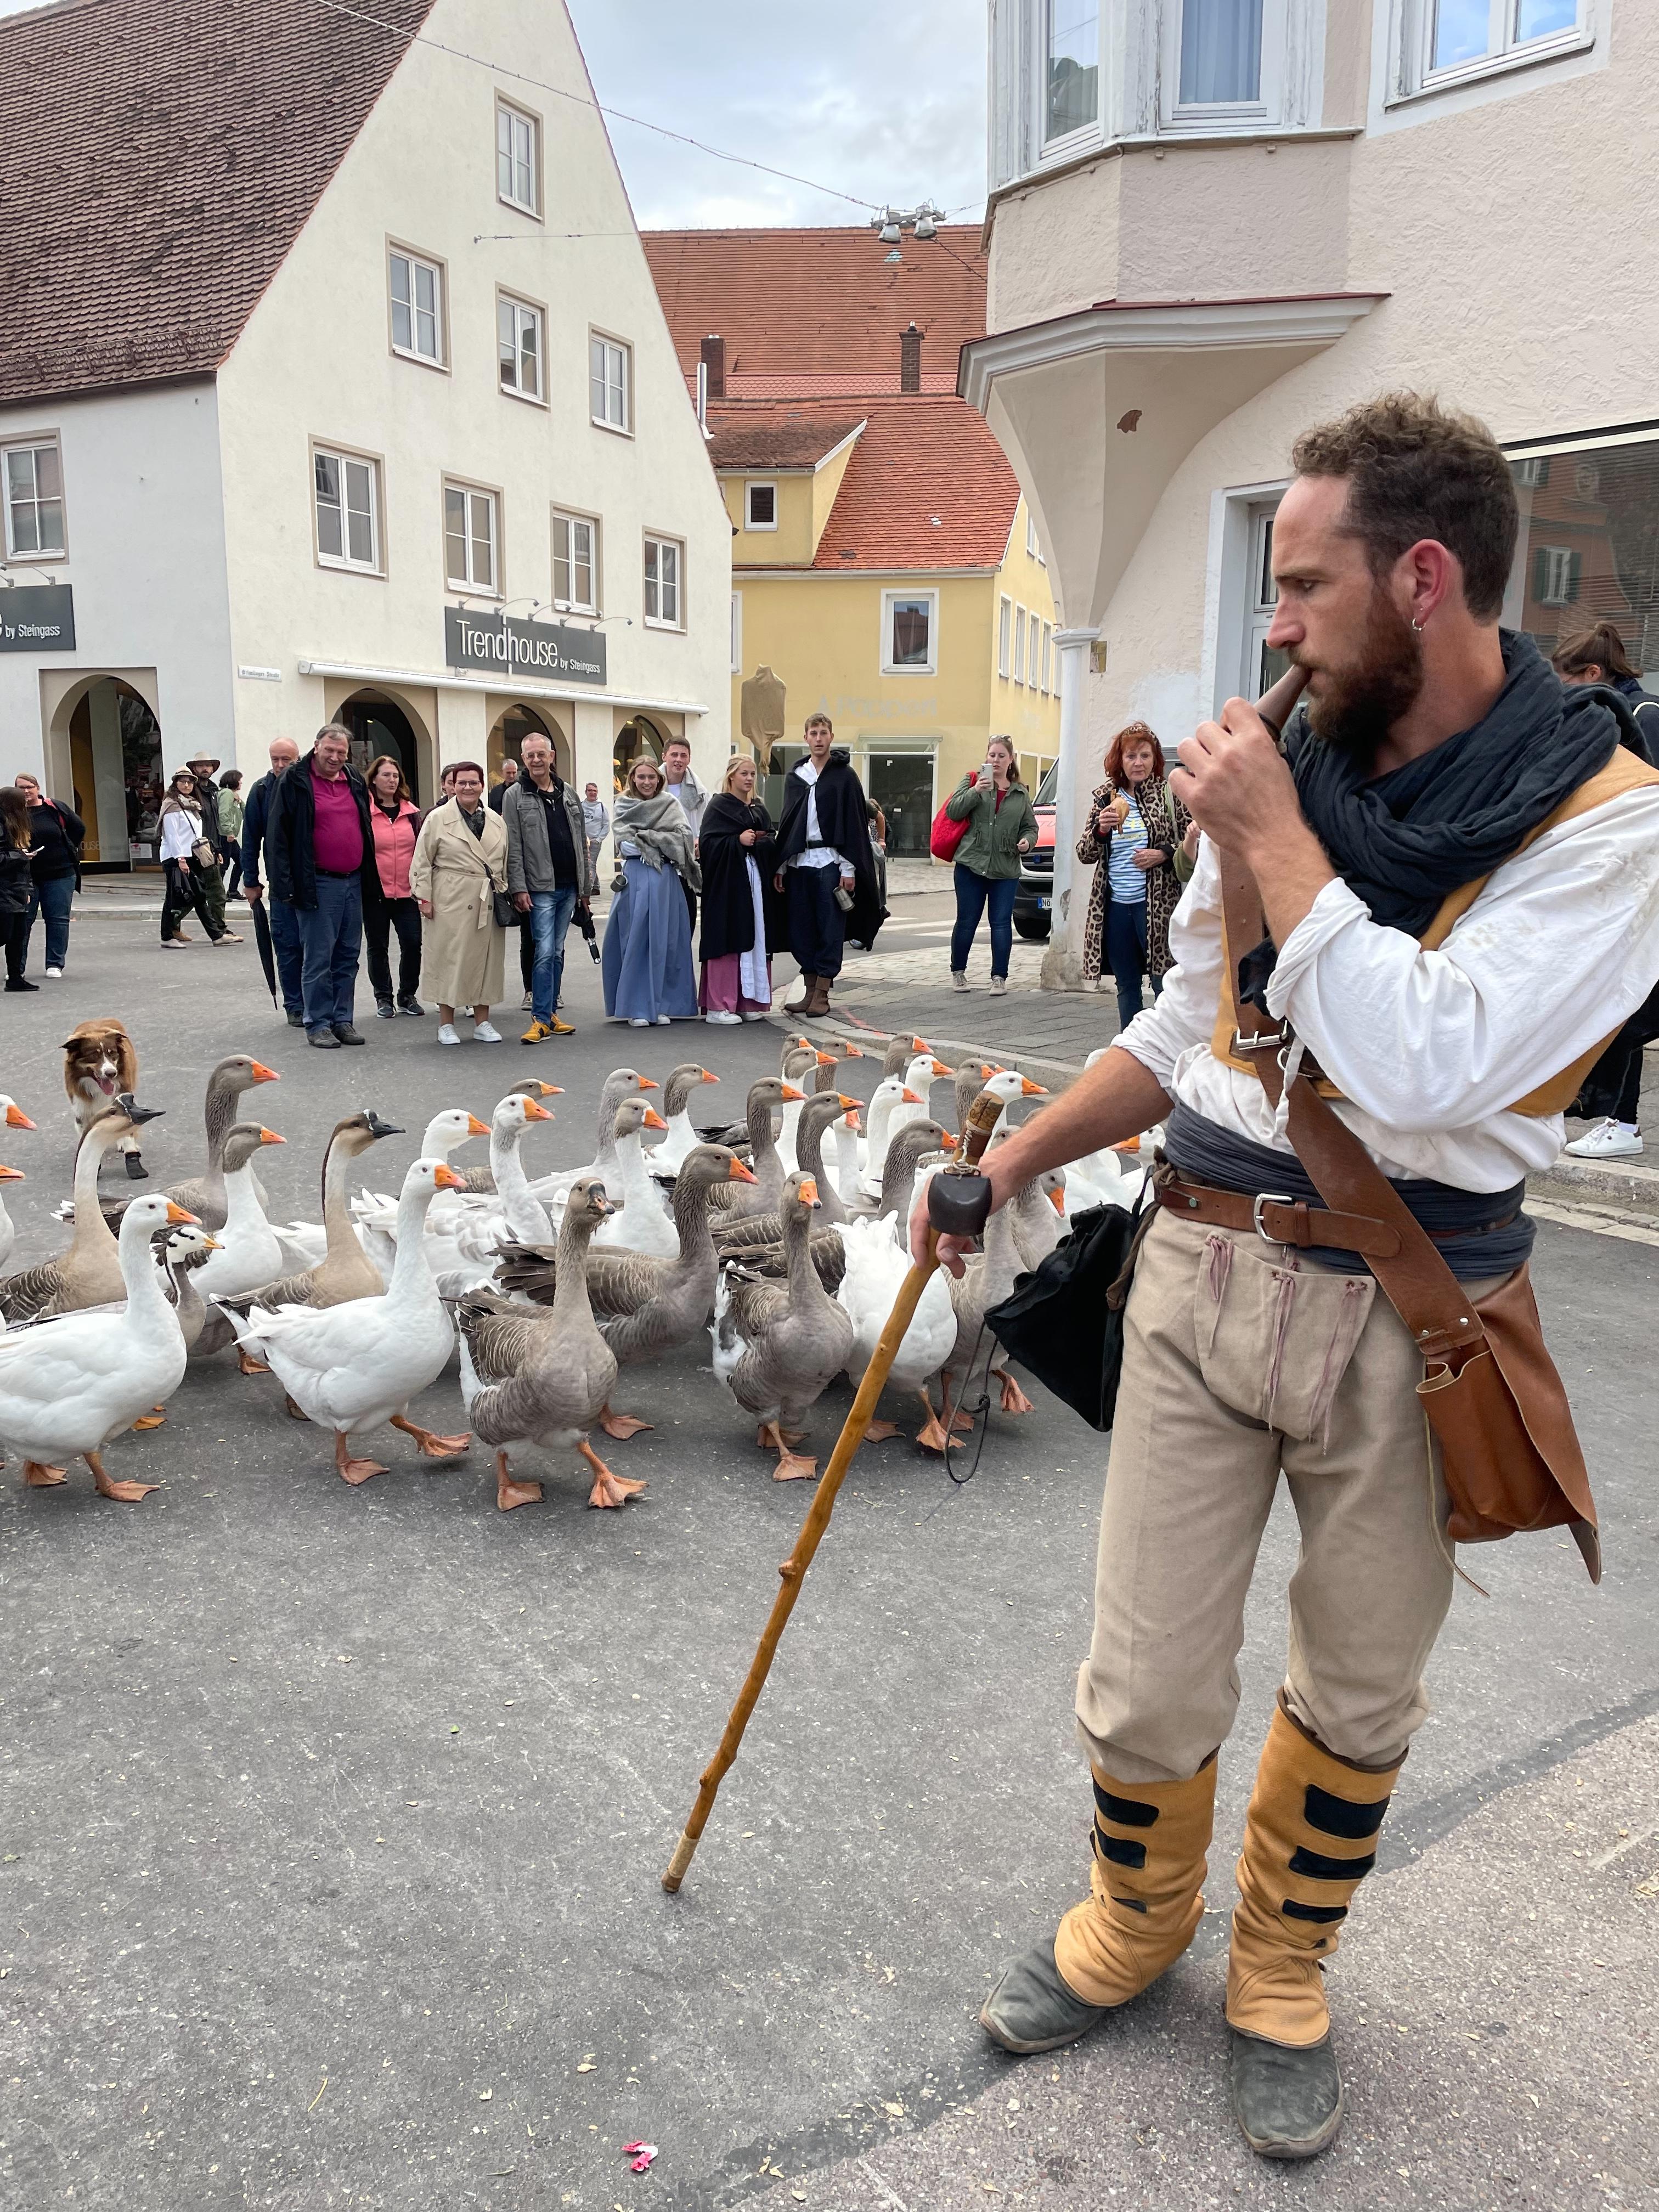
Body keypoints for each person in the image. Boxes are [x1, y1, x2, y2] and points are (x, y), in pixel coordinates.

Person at [912, 392, 1659, 2162]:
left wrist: (1276, 837)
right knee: (1144, 1675)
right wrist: (1008, 1162)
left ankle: (1280, 1967)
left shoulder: (1608, 823)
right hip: (1198, 1257)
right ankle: (1133, 1920)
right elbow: (1191, 1028)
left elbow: (1428, 1062)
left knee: (1363, 1682)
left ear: (1423, 579)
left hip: (1422, 1309)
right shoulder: (1291, 768)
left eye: (1304, 583)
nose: (1275, 624)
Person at [1550, 624, 1659, 1155]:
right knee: (1622, 1001)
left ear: (1593, 673)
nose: (1562, 694)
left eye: (1567, 681)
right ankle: (1621, 1121)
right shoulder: (1625, 715)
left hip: (1644, 887)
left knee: (1626, 1006)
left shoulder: (1640, 718)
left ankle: (1620, 1119)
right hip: (1635, 885)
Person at [264, 724, 380, 1048]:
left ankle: (343, 1021)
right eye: (329, 750)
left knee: (347, 956)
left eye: (341, 752)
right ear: (316, 746)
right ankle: (318, 1024)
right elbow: (278, 836)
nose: (335, 757)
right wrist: (285, 887)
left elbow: (364, 826)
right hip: (317, 882)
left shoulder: (353, 777)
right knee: (318, 959)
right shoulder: (294, 780)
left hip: (353, 881)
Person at [1076, 723, 1190, 1031]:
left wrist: (1163, 853)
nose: (1138, 763)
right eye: (1131, 756)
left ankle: (1169, 1042)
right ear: (1121, 760)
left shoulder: (1169, 794)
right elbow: (1084, 854)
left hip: (1157, 905)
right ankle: (1131, 1045)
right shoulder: (1106, 798)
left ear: (1155, 760)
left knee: (1163, 981)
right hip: (1116, 906)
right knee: (1126, 984)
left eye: (1145, 756)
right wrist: (1101, 829)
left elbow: (1196, 837)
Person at [772, 712, 884, 1020]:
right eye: (814, 733)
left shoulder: (844, 777)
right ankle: (809, 990)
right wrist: (782, 864)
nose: (819, 739)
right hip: (800, 862)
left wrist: (848, 868)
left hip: (830, 862)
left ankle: (822, 993)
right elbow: (789, 821)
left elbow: (853, 823)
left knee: (829, 928)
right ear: (806, 738)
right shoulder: (797, 776)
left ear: (831, 737)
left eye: (823, 733)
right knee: (801, 928)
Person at [500, 731, 592, 1043]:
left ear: (552, 756)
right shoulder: (515, 795)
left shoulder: (569, 792)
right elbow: (512, 846)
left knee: (558, 951)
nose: (537, 760)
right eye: (531, 756)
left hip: (569, 887)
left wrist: (585, 889)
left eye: (542, 754)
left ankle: (551, 1013)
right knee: (545, 951)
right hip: (539, 888)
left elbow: (581, 843)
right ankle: (540, 1018)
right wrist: (518, 887)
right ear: (524, 760)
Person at [410, 759, 509, 1046]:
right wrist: (424, 897)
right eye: (461, 782)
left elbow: (504, 861)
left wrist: (506, 891)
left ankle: (482, 1022)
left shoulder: (496, 820)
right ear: (452, 786)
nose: (468, 787)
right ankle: (446, 1024)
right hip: (449, 897)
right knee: (448, 959)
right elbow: (422, 859)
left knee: (486, 962)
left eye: (473, 782)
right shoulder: (438, 818)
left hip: (486, 898)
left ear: (482, 786)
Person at [601, 755, 699, 1028]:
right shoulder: (623, 804)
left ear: (659, 779)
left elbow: (683, 840)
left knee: (666, 941)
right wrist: (661, 840)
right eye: (641, 777)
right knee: (637, 941)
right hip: (635, 879)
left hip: (665, 880)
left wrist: (646, 837)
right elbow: (625, 845)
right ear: (633, 778)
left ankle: (663, 1004)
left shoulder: (670, 803)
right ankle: (638, 1006)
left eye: (651, 777)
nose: (647, 782)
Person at [944, 735, 1038, 996]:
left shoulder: (1020, 793)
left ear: (1010, 760)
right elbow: (953, 811)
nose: (995, 760)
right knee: (967, 921)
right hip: (971, 865)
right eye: (992, 755)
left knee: (1001, 923)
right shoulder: (972, 781)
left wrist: (1027, 842)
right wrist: (976, 792)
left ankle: (999, 978)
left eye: (1001, 756)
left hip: (1006, 868)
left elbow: (1030, 827)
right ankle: (958, 972)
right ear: (986, 757)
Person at [699, 754, 783, 1024]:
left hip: (755, 883)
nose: (749, 778)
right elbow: (708, 846)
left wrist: (760, 841)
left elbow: (772, 839)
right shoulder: (719, 806)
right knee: (728, 936)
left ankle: (748, 1001)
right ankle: (719, 1005)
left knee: (755, 936)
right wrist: (737, 840)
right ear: (731, 776)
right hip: (727, 886)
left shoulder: (758, 808)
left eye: (752, 774)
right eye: (744, 773)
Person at [241, 738, 304, 1026]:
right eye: (275, 759)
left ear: (297, 758)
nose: (279, 765)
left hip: (312, 881)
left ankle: (317, 1003)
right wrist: (251, 881)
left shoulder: (307, 786)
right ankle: (295, 1005)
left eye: (285, 760)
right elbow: (251, 840)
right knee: (288, 947)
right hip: (280, 884)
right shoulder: (261, 790)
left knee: (316, 948)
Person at [363, 754, 425, 1019]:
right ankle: (383, 998)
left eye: (395, 776)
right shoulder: (365, 812)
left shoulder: (411, 813)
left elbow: (422, 852)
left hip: (407, 893)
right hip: (375, 893)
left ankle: (407, 995)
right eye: (386, 775)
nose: (392, 780)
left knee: (412, 944)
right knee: (378, 947)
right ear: (374, 779)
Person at [1552, 620, 1659, 761]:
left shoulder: (1646, 716)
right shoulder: (1590, 717)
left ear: (1592, 673)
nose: (1560, 692)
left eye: (1563, 684)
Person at [13, 770, 83, 979]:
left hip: (60, 873)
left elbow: (78, 828)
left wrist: (66, 848)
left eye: (29, 787)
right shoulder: (11, 812)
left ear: (38, 789)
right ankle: (17, 968)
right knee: (22, 921)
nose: (26, 791)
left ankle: (55, 964)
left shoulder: (54, 808)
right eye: (21, 788)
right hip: (25, 877)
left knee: (58, 920)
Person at [157, 768, 232, 950]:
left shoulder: (191, 805)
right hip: (175, 858)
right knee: (175, 897)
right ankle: (167, 936)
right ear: (175, 783)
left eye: (190, 782)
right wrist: (180, 859)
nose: (187, 785)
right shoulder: (172, 805)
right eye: (182, 781)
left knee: (198, 896)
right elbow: (172, 835)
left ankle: (216, 936)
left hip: (190, 856)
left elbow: (195, 834)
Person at [183, 750, 233, 940]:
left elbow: (215, 822)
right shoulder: (191, 791)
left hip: (211, 847)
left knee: (208, 891)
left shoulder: (214, 792)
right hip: (196, 848)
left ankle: (219, 928)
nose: (205, 768)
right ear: (194, 769)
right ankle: (219, 929)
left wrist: (218, 848)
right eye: (201, 765)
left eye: (208, 765)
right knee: (201, 891)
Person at [661, 736, 707, 933]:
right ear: (664, 757)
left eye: (683, 755)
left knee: (686, 922)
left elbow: (706, 824)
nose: (678, 760)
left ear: (689, 759)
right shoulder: (652, 786)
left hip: (687, 865)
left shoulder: (700, 792)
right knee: (661, 924)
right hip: (660, 866)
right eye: (674, 755)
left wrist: (700, 840)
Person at [1, 786, 37, 993]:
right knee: (5, 934)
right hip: (4, 889)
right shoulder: (3, 824)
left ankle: (15, 978)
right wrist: (22, 856)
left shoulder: (14, 824)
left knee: (18, 936)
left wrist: (27, 890)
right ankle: (14, 978)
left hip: (16, 888)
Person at [218, 770, 245, 899]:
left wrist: (240, 801)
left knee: (241, 862)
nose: (241, 783)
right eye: (240, 780)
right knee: (224, 865)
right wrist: (228, 831)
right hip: (225, 835)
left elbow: (246, 813)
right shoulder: (227, 794)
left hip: (230, 836)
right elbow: (224, 813)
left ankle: (233, 890)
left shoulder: (232, 796)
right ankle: (219, 894)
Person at [581, 780, 610, 883]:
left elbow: (606, 825)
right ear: (586, 792)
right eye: (590, 790)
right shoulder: (581, 806)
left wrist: (599, 840)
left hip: (594, 842)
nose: (593, 793)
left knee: (591, 864)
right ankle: (596, 886)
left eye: (595, 791)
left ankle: (589, 887)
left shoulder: (602, 807)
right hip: (582, 842)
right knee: (585, 864)